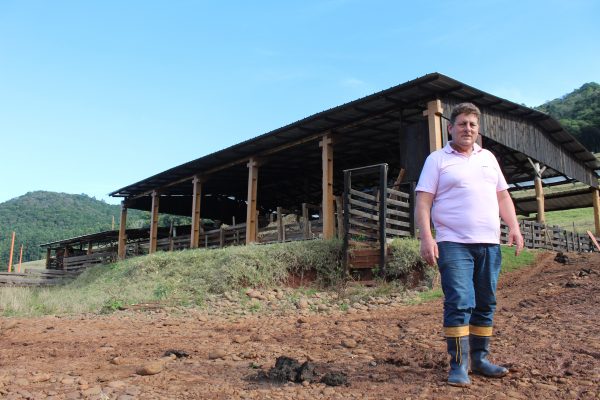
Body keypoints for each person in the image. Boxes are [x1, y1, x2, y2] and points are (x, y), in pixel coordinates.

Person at [415, 102, 524, 387]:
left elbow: (502, 196)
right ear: (450, 128)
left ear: (478, 130)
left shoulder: (488, 157)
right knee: (460, 301)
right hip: (453, 243)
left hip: (489, 243)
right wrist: (427, 237)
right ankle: (459, 365)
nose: (467, 129)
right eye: (462, 124)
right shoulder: (437, 160)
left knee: (485, 302)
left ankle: (480, 359)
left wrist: (514, 227)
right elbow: (424, 201)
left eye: (472, 125)